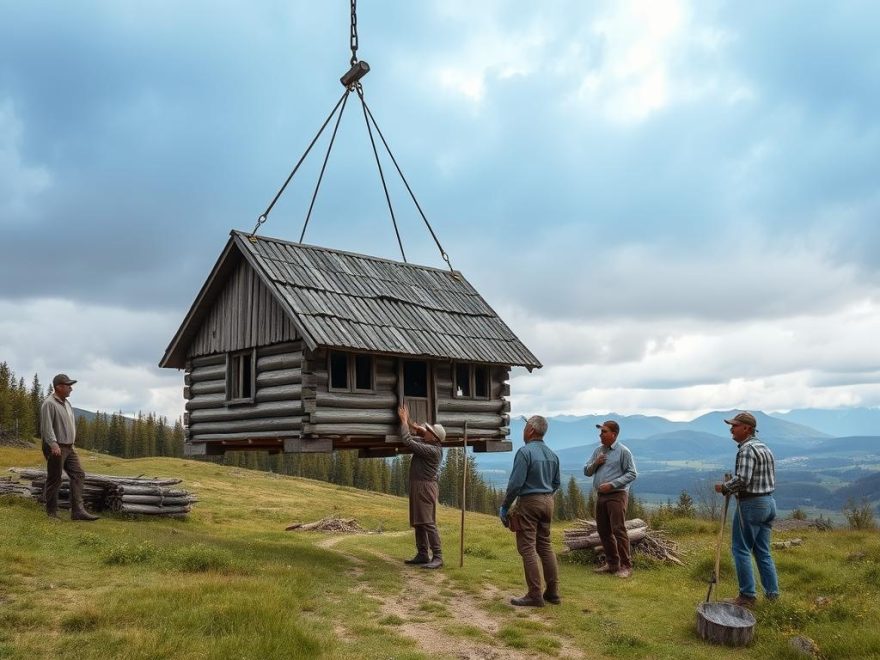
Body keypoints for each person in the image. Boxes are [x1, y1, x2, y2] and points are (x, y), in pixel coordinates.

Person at [715, 411, 779, 608]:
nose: (731, 429)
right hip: (768, 502)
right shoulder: (764, 447)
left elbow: (743, 479)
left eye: (734, 426)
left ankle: (747, 596)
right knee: (762, 551)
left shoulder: (747, 450)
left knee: (740, 549)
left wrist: (725, 488)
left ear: (747, 428)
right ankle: (772, 595)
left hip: (751, 505)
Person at [499, 415, 561, 607]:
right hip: (548, 501)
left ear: (531, 430)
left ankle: (535, 594)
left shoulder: (524, 453)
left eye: (525, 427)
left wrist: (505, 506)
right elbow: (556, 483)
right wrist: (545, 496)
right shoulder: (552, 454)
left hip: (529, 502)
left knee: (527, 547)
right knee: (545, 546)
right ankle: (552, 593)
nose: (523, 431)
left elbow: (515, 484)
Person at [40, 374, 98, 521]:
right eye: (68, 385)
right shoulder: (49, 403)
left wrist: (72, 445)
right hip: (56, 447)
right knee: (55, 479)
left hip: (69, 447)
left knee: (78, 474)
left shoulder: (66, 403)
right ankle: (51, 513)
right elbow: (46, 427)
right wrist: (53, 444)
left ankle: (77, 512)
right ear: (59, 387)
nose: (71, 388)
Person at [584, 420, 637, 578]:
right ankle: (612, 564)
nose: (601, 434)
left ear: (614, 434)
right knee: (603, 530)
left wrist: (612, 485)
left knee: (618, 529)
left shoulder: (623, 451)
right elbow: (586, 471)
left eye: (604, 431)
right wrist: (596, 463)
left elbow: (632, 473)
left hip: (617, 495)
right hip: (601, 496)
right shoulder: (598, 451)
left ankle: (626, 566)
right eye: (601, 432)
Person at [398, 406, 444, 569]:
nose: (427, 432)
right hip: (420, 486)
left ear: (435, 437)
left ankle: (438, 557)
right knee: (419, 521)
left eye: (429, 431)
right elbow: (422, 436)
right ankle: (423, 554)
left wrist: (404, 421)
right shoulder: (431, 444)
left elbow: (407, 441)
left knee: (428, 522)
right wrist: (418, 428)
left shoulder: (431, 450)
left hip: (425, 488)